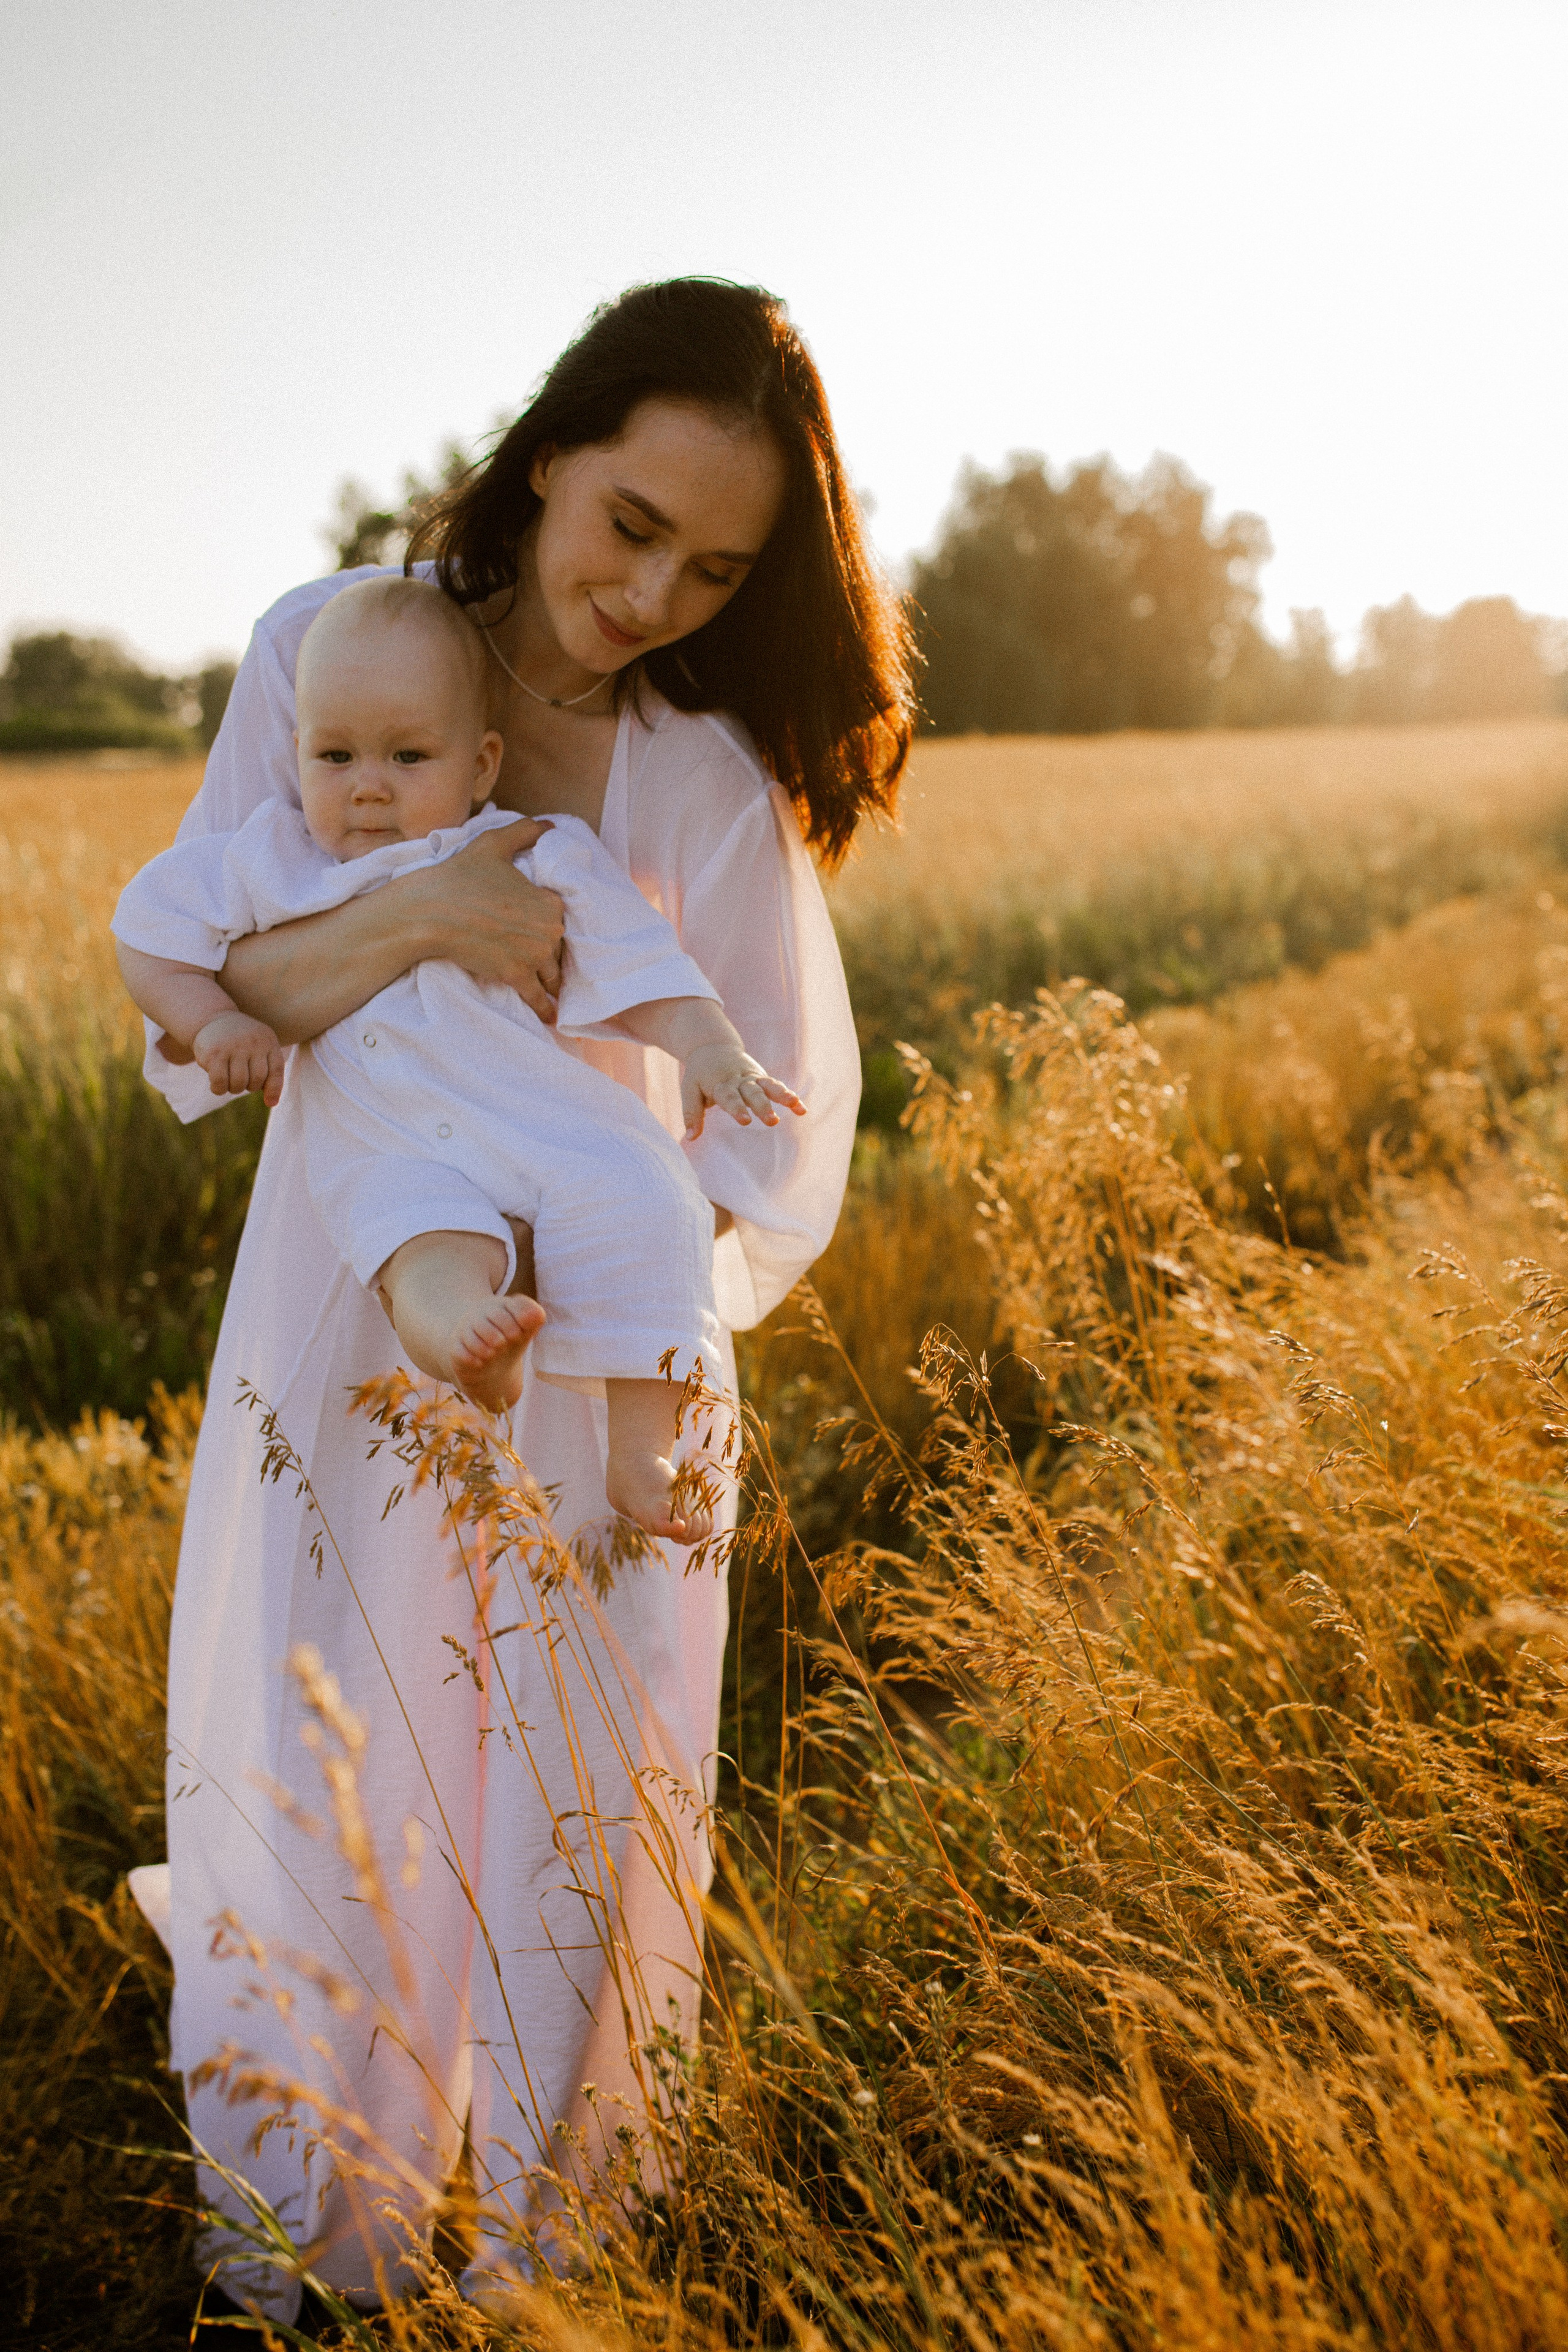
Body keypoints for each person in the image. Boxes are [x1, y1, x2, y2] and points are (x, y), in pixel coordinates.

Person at [126, 277, 913, 2322]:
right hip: (362, 1282)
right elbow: (207, 998)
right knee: (328, 1731)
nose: (649, 594)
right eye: (631, 524)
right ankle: (325, 2232)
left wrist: (607, 1268)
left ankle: (561, 2257)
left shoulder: (701, 773)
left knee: (577, 1783)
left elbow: (770, 1132)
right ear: (553, 450)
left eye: (714, 569)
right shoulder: (329, 648)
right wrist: (430, 915)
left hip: (601, 1339)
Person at [113, 575, 804, 1539]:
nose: (367, 784)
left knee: (654, 1192)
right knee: (426, 1245)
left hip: (537, 1120)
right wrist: (213, 1021)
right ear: (298, 752)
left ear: (482, 766)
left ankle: (643, 1451)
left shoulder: (532, 852)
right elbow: (148, 930)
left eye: (408, 756)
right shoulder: (272, 861)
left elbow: (637, 957)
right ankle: (465, 1343)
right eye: (335, 755)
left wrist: (707, 1045)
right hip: (389, 1145)